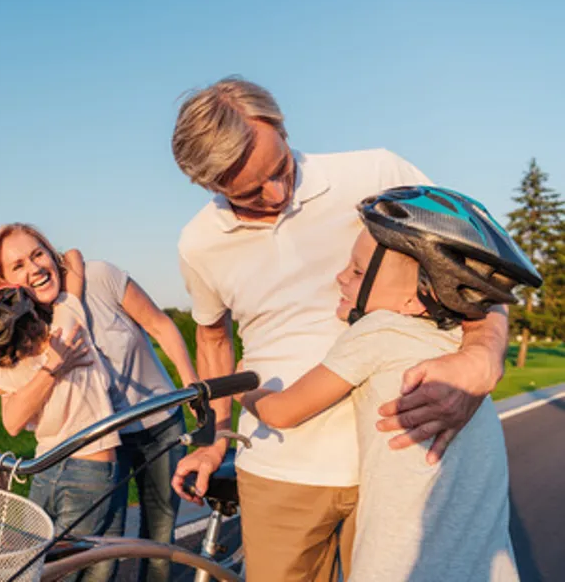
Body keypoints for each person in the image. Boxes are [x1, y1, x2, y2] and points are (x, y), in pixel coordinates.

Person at [169, 77, 512, 581]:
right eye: (248, 191)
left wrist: (483, 355)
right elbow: (213, 338)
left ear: (281, 127)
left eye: (280, 169)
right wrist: (216, 436)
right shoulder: (198, 243)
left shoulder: (377, 171)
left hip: (394, 473)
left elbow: (474, 266)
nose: (278, 193)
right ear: (210, 185)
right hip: (278, 471)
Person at [239, 186, 539, 581]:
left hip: (402, 564)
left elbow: (283, 411)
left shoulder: (378, 331)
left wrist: (242, 387)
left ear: (415, 300)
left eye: (359, 271)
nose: (341, 277)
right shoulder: (453, 345)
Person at [0, 223, 199, 582]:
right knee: (104, 549)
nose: (34, 268)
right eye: (18, 265)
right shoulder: (24, 321)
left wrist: (190, 382)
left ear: (52, 253)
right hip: (104, 440)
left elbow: (160, 326)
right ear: (4, 282)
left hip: (159, 423)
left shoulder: (99, 277)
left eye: (37, 254)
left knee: (158, 537)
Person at [0, 249, 121, 582]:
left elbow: (0, 404)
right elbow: (74, 259)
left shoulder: (10, 374)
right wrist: (40, 272)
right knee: (78, 566)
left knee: (41, 568)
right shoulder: (66, 326)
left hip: (43, 465)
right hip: (92, 463)